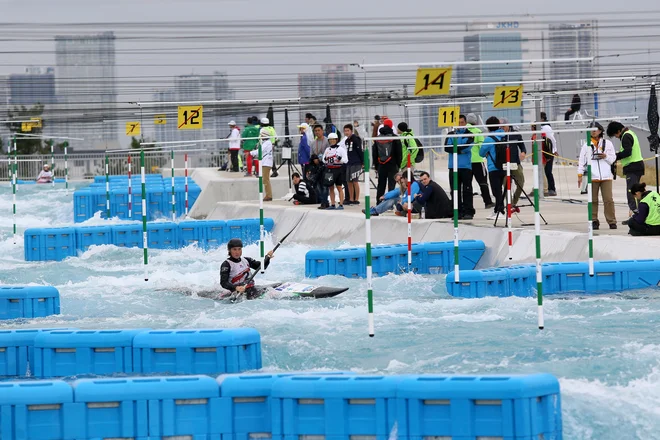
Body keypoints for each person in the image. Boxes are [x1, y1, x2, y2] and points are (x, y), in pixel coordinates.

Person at [577, 122, 617, 230]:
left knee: (608, 199)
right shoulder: (586, 145)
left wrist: (605, 156)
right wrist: (580, 174)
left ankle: (612, 221)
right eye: (591, 129)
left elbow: (613, 158)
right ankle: (594, 220)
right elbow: (581, 161)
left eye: (595, 129)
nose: (594, 131)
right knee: (593, 200)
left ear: (600, 131)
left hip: (606, 176)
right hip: (592, 175)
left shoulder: (607, 143)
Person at [607, 121, 645, 220]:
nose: (616, 137)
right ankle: (639, 214)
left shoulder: (626, 136)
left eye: (615, 134)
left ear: (619, 131)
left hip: (633, 167)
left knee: (632, 192)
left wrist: (616, 156)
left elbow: (628, 152)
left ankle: (636, 215)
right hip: (637, 166)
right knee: (637, 191)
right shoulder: (631, 133)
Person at [444, 115, 474, 220]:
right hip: (453, 166)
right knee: (455, 190)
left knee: (467, 190)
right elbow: (447, 147)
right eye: (458, 123)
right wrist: (459, 150)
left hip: (465, 166)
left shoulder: (470, 134)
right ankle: (458, 211)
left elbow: (468, 147)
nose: (460, 125)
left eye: (462, 122)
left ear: (465, 123)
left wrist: (456, 149)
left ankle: (468, 211)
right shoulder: (451, 134)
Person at [479, 117, 506, 220]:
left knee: (496, 190)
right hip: (504, 166)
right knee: (503, 189)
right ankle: (497, 210)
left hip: (493, 167)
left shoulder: (488, 139)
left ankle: (501, 211)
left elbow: (481, 153)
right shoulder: (504, 135)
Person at [466, 114, 493, 209]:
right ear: (475, 122)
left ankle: (468, 206)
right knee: (483, 182)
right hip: (477, 161)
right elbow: (482, 147)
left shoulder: (462, 131)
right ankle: (488, 202)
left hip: (466, 163)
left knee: (467, 185)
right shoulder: (478, 132)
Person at [500, 118, 527, 211]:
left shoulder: (515, 134)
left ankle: (513, 202)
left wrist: (523, 152)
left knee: (520, 182)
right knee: (506, 184)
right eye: (500, 126)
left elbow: (522, 145)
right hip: (504, 164)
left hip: (515, 163)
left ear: (508, 125)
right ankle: (509, 204)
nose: (502, 128)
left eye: (503, 126)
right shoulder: (499, 135)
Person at [373, 125, 402, 201]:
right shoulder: (395, 138)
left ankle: (379, 202)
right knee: (391, 185)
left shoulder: (377, 139)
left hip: (381, 165)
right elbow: (399, 153)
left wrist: (376, 166)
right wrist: (399, 165)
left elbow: (374, 153)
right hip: (392, 164)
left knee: (381, 185)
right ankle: (390, 203)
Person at [321, 132, 348, 209]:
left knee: (339, 187)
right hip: (329, 170)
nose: (332, 141)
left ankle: (341, 204)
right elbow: (323, 159)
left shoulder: (340, 149)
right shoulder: (327, 149)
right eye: (330, 140)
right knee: (330, 187)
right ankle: (332, 204)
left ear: (336, 140)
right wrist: (325, 159)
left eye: (334, 139)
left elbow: (346, 160)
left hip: (338, 170)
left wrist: (340, 159)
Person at [250, 128, 273, 201]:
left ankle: (269, 195)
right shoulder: (266, 143)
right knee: (265, 179)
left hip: (266, 163)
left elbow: (259, 151)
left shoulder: (267, 143)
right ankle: (268, 194)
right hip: (265, 162)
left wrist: (251, 153)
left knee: (265, 180)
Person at [343, 124, 363, 205]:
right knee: (349, 181)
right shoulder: (346, 141)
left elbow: (360, 151)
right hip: (349, 163)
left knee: (355, 181)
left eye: (348, 130)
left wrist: (363, 162)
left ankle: (356, 199)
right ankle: (351, 198)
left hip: (356, 162)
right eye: (345, 131)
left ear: (351, 131)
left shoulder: (356, 139)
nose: (346, 132)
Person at [540, 112, 558, 196]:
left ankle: (552, 189)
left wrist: (554, 150)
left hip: (548, 152)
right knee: (543, 171)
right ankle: (544, 188)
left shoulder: (546, 127)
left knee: (548, 171)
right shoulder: (541, 127)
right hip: (543, 152)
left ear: (542, 119)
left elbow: (552, 139)